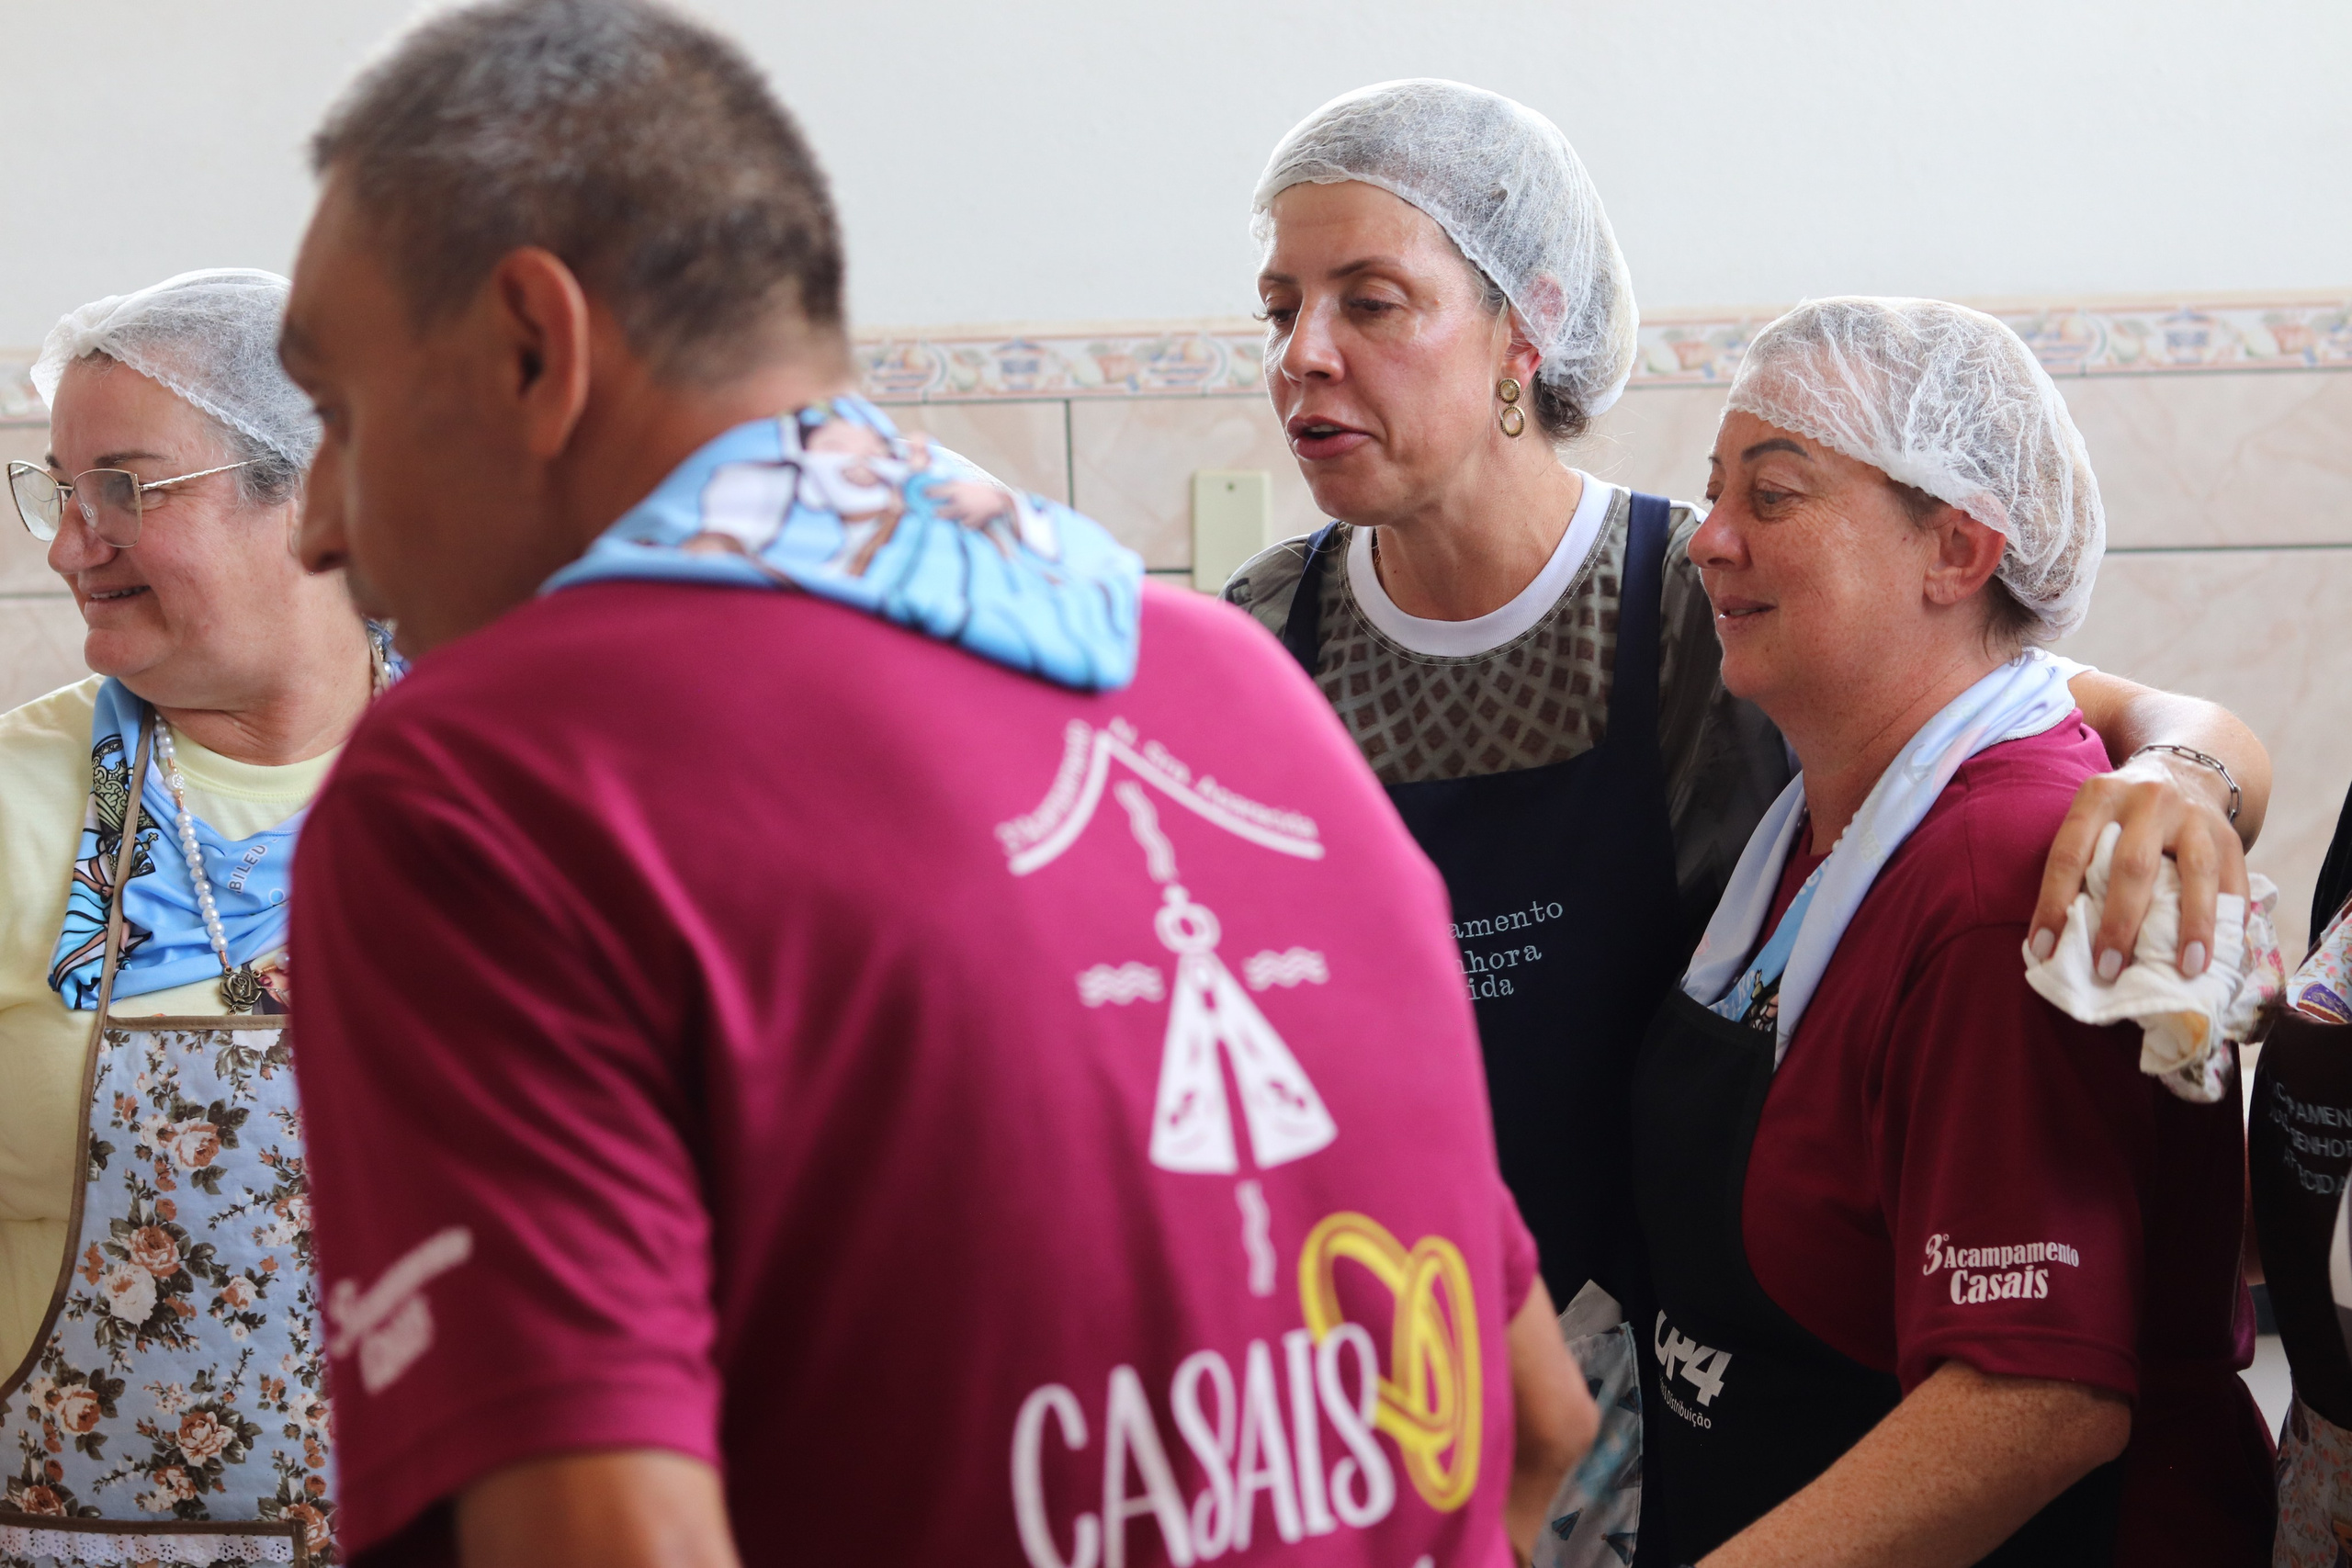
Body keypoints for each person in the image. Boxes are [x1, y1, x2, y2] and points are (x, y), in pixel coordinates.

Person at [276, 5, 1592, 1567]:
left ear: (532, 350)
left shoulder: (494, 789)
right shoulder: (1229, 682)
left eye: (338, 418)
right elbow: (1535, 1432)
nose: (316, 528)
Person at [1225, 82, 2270, 1556]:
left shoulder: (1713, 628)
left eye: (1374, 300)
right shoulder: (1261, 642)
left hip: (1662, 1428)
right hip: (1395, 1380)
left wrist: (2185, 780)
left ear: (1529, 325)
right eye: (1278, 305)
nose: (1304, 356)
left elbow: (2050, 694)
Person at [1633, 297, 2270, 1566]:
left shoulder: (2000, 882)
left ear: (1960, 552)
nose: (1707, 542)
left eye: (1774, 496)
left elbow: (2035, 1404)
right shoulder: (1840, 815)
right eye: (1713, 495)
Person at [0, 271, 383, 1562]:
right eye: (61, 490)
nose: (67, 543)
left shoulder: (521, 791)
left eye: (128, 487)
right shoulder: (11, 805)